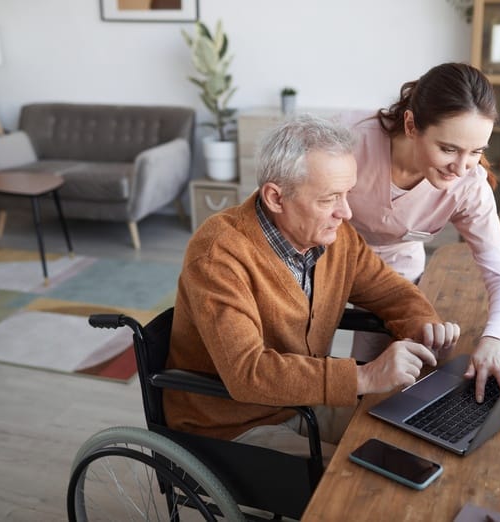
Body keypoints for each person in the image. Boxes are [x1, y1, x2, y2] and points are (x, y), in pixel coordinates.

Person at [163, 114, 460, 460]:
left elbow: (390, 292)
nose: (346, 212)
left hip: (303, 404)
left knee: (412, 440)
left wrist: (426, 327)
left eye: (347, 194)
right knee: (362, 476)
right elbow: (248, 372)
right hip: (231, 425)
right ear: (276, 198)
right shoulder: (219, 252)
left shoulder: (336, 238)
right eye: (329, 199)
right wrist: (363, 377)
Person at [339, 62, 500, 403]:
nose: (461, 168)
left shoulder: (469, 185)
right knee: (317, 361)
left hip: (397, 275)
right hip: (328, 261)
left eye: (477, 151)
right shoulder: (349, 142)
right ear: (411, 125)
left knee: (384, 385)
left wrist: (496, 340)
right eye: (449, 149)